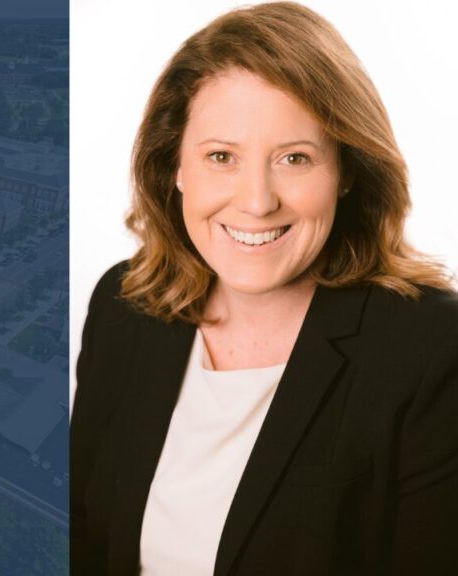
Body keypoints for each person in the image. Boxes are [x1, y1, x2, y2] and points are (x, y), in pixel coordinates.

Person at [71, 3, 458, 575]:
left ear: (346, 170)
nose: (256, 201)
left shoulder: (431, 349)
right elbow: (80, 538)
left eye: (294, 158)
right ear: (175, 164)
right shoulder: (123, 306)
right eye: (221, 157)